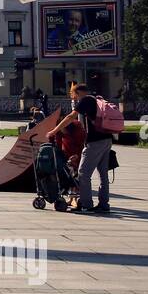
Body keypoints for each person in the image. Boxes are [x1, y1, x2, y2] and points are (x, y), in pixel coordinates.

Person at [47, 82, 114, 213]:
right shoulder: (98, 99)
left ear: (78, 93)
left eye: (74, 96)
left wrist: (54, 131)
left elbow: (70, 117)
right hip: (107, 139)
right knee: (103, 175)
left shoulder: (85, 100)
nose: (75, 99)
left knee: (83, 173)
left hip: (95, 142)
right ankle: (104, 205)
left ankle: (86, 204)